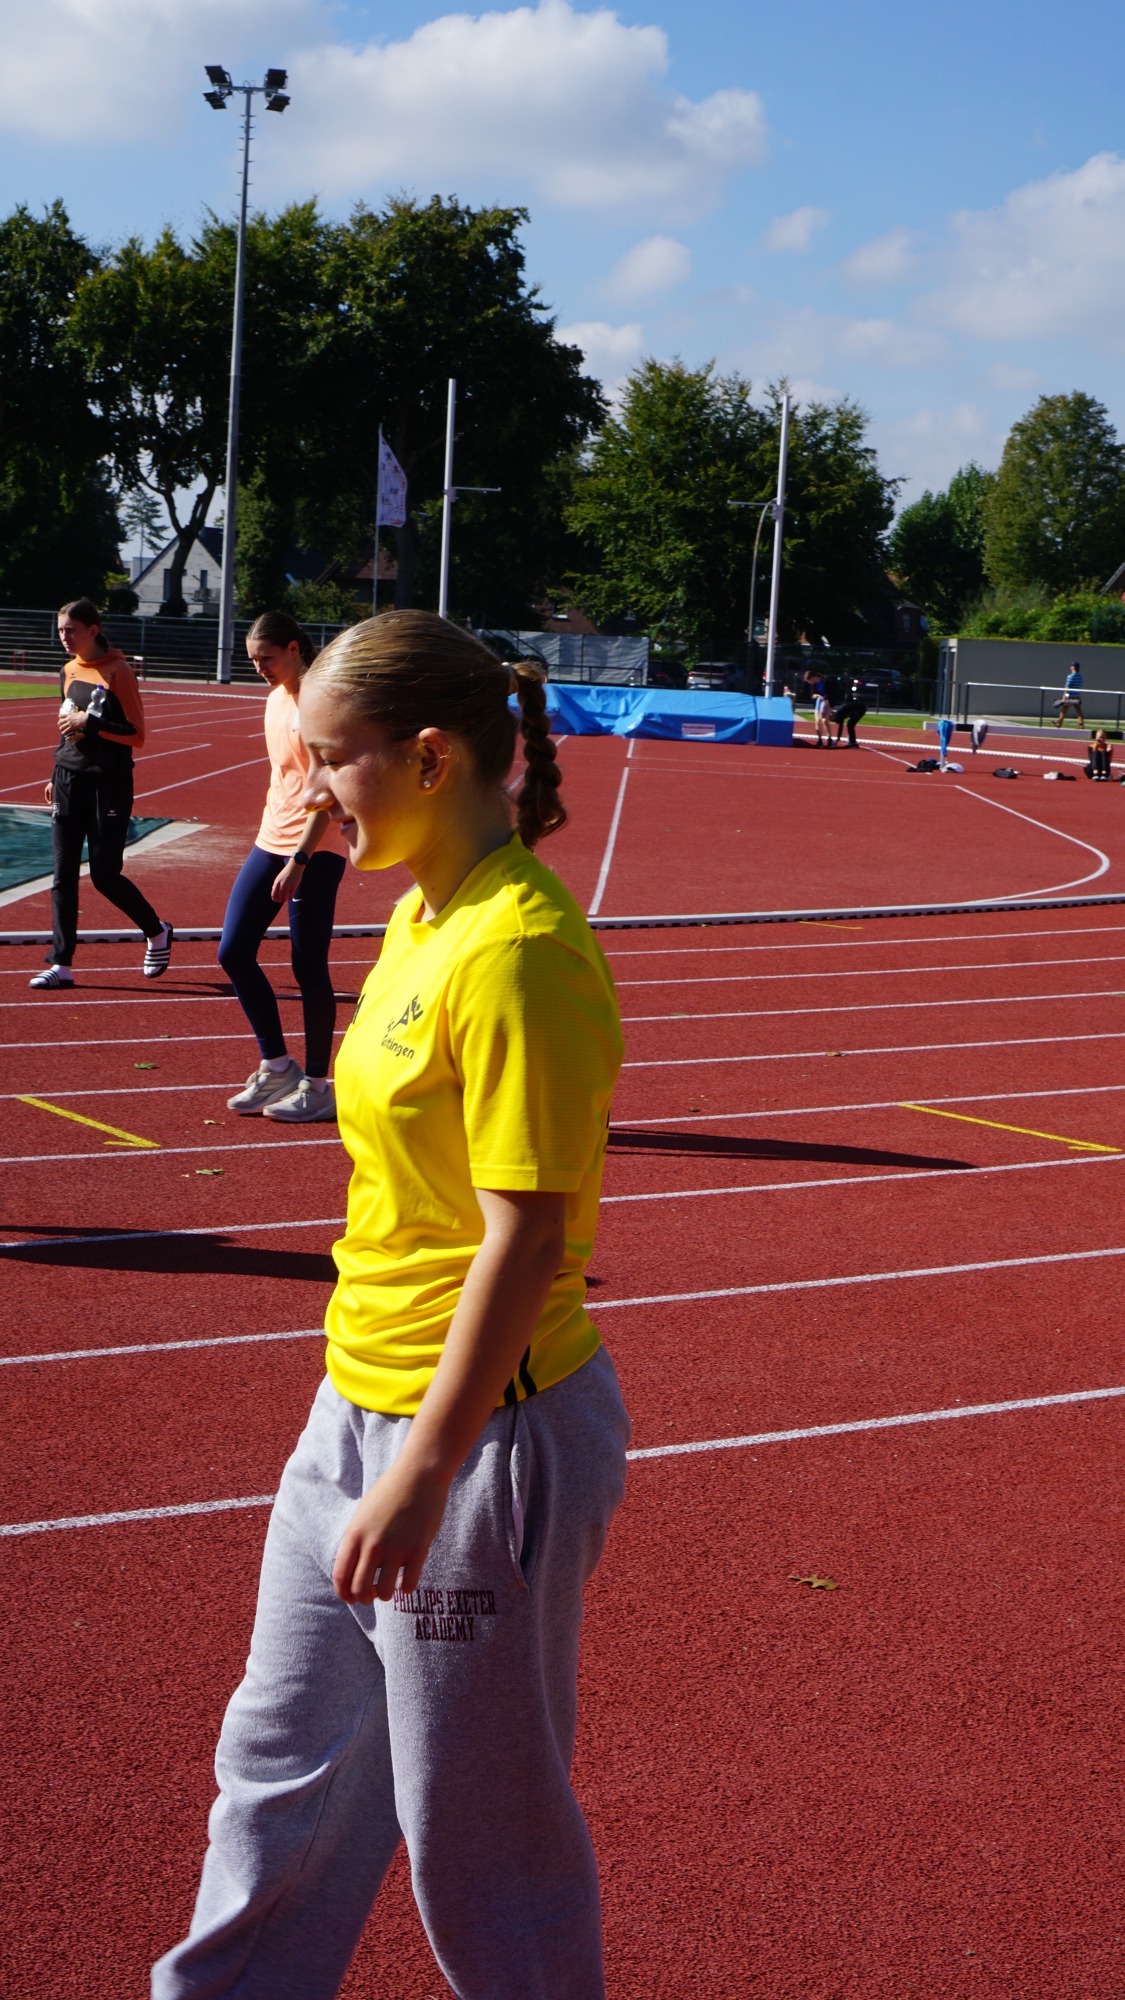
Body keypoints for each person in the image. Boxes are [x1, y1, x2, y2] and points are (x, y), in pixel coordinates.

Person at [152, 611, 630, 2000]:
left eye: (332, 758)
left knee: (478, 1835)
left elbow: (526, 1239)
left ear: (428, 758)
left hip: (480, 1443)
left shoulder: (518, 949)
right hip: (351, 1405)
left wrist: (423, 1472)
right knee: (274, 1772)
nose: (308, 789)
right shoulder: (423, 911)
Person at [219, 612, 349, 1123]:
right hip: (269, 840)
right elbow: (283, 777)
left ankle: (317, 1085)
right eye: (253, 660)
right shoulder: (274, 698)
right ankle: (277, 1066)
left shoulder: (323, 703)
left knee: (307, 966)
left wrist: (299, 858)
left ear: (294, 649)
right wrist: (275, 843)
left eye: (266, 658)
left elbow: (328, 790)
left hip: (314, 850)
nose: (260, 668)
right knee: (233, 951)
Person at [30, 598, 172, 990]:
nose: (64, 637)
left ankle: (156, 930)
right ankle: (61, 963)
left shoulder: (118, 671)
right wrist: (55, 772)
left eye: (71, 630)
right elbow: (66, 729)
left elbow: (137, 735)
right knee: (62, 875)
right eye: (61, 630)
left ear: (92, 630)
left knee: (105, 875)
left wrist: (89, 723)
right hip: (67, 779)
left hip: (108, 783)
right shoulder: (67, 670)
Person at [832, 677, 868, 747]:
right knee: (850, 724)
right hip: (856, 708)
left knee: (850, 724)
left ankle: (853, 742)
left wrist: (837, 740)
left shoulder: (839, 715)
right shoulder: (839, 714)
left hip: (860, 708)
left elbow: (840, 728)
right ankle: (852, 741)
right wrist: (838, 739)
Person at [1055, 661, 1084, 726]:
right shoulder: (1080, 677)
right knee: (1078, 711)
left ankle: (1059, 723)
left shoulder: (1070, 676)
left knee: (1064, 709)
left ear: (1073, 667)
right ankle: (1081, 724)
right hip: (1077, 696)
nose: (1070, 667)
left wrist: (1064, 696)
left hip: (1070, 696)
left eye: (1071, 666)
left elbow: (1067, 687)